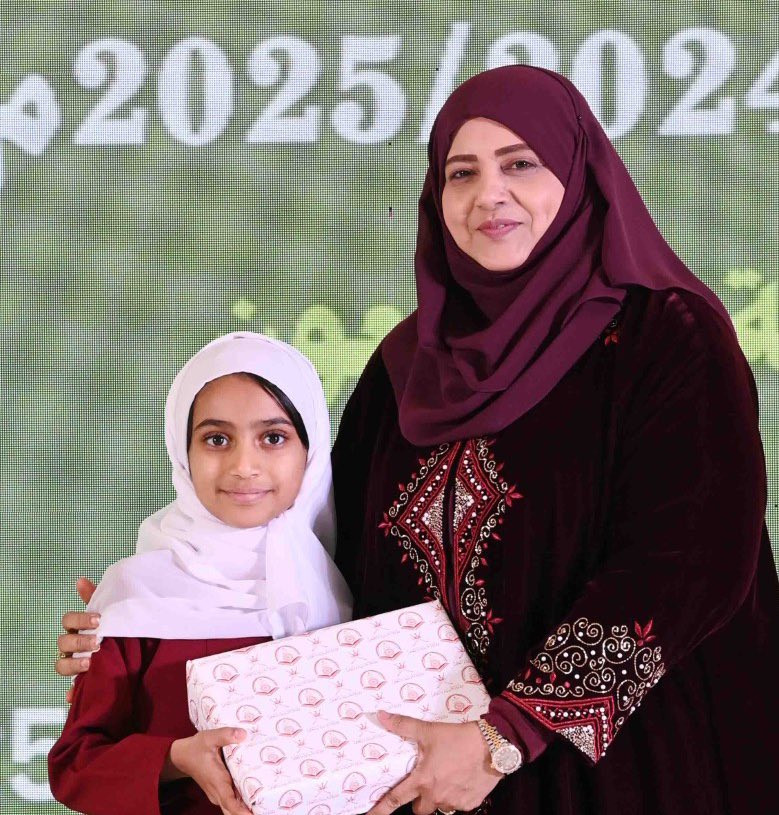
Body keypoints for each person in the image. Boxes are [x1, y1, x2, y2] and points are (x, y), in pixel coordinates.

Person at [57, 66, 778, 815]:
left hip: (630, 770)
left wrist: (506, 734)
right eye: (461, 172)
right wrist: (151, 614)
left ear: (578, 174)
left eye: (520, 164)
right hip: (422, 783)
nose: (488, 194)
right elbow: (317, 555)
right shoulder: (404, 369)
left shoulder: (664, 336)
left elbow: (690, 561)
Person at [48, 332, 352, 815]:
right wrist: (174, 759)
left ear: (311, 451)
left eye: (273, 438)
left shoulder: (347, 589)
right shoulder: (134, 594)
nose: (243, 466)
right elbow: (75, 767)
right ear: (182, 450)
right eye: (216, 439)